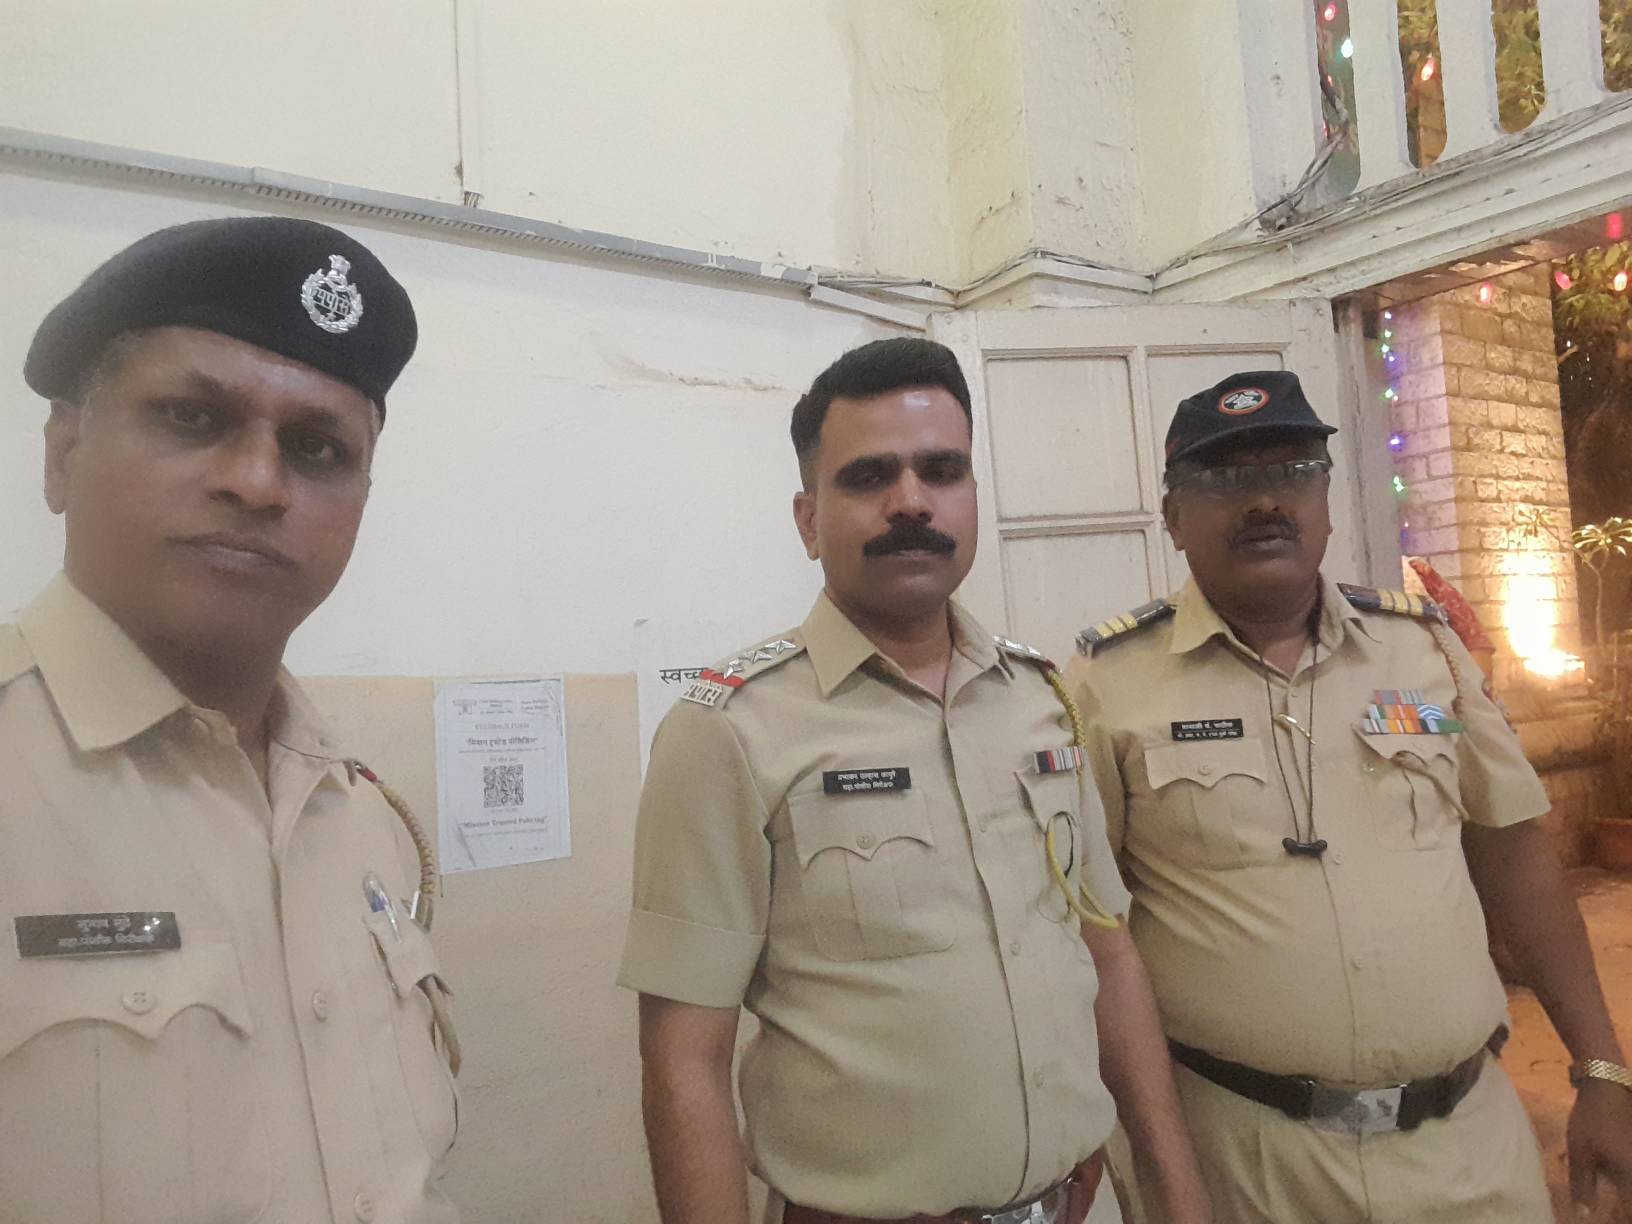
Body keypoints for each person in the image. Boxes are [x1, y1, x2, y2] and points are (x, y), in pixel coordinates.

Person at [618, 337, 1211, 1224]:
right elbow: (683, 1059)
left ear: (971, 494)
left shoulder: (1041, 699)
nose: (910, 502)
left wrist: (1176, 1187)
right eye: (868, 477)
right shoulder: (729, 731)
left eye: (942, 470)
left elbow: (1107, 952)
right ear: (808, 520)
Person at [1066, 369, 1632, 1222]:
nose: (1265, 500)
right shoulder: (1107, 684)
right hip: (1245, 1161)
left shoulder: (1422, 652)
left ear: (1327, 499)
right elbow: (1087, 930)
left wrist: (1602, 1068)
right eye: (1224, 479)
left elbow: (1516, 857)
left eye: (1293, 470)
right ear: (1174, 519)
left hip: (1467, 1147)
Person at [0, 217, 460, 1224]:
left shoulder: (360, 819)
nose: (257, 482)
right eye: (193, 417)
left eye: (317, 448)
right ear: (64, 453)